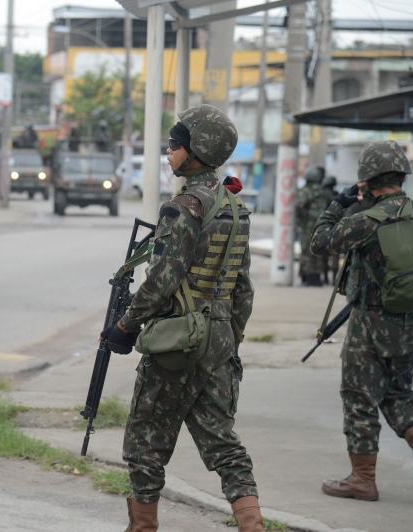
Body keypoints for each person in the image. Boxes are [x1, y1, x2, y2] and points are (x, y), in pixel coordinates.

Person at [100, 105, 263, 532]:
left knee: (146, 443)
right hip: (219, 338)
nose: (169, 150)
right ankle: (253, 525)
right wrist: (228, 340)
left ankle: (143, 527)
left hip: (177, 341)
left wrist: (125, 326)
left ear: (197, 152)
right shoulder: (235, 208)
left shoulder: (183, 207)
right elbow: (243, 288)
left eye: (175, 144)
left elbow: (161, 281)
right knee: (222, 441)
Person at [310, 140, 413, 504]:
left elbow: (319, 242)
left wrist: (339, 204)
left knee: (359, 396)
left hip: (368, 324)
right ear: (402, 177)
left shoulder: (365, 221)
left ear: (367, 182)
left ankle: (362, 479)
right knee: (398, 392)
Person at [296, 166, 327, 286]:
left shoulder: (306, 190)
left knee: (306, 250)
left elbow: (299, 205)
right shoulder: (322, 191)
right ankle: (317, 278)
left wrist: (301, 216)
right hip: (321, 225)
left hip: (307, 225)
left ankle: (308, 278)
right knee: (318, 250)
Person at [321, 175, 339, 284]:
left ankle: (325, 278)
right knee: (335, 253)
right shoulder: (337, 196)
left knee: (325, 253)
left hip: (326, 226)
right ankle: (333, 279)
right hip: (336, 226)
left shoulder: (323, 195)